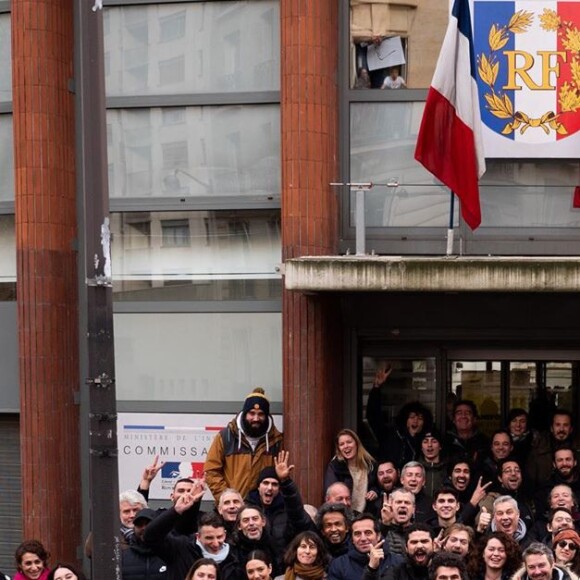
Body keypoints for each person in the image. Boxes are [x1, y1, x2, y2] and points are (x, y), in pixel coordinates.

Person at [205, 388, 283, 501]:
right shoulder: (226, 436)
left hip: (263, 510)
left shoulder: (276, 441)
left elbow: (281, 477)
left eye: (261, 414)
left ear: (267, 416)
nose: (256, 418)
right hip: (231, 510)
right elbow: (211, 471)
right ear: (245, 413)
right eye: (252, 413)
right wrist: (228, 499)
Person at [144, 489, 239, 580]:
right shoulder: (181, 548)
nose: (215, 543)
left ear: (225, 534)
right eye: (209, 538)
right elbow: (150, 536)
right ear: (198, 536)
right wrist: (175, 511)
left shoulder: (234, 556)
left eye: (219, 537)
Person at [246, 452, 313, 560]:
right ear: (258, 487)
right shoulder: (247, 509)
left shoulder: (287, 510)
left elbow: (299, 517)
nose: (270, 488)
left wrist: (285, 482)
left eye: (275, 484)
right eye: (265, 483)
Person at [327, 513, 403, 580]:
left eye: (368, 533)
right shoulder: (339, 565)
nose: (363, 538)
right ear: (352, 539)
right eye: (357, 534)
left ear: (378, 536)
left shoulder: (398, 562)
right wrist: (371, 569)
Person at [324, 429, 378, 513]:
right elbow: (332, 492)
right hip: (344, 514)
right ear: (339, 448)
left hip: (365, 515)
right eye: (341, 444)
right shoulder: (335, 466)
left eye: (349, 442)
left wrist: (374, 491)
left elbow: (377, 484)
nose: (346, 446)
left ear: (357, 443)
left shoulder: (370, 464)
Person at [527, 409, 578, 491]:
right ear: (551, 428)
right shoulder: (538, 451)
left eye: (565, 425)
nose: (561, 429)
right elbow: (530, 482)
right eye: (558, 425)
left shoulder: (578, 451)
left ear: (571, 429)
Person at [122, 508, 168, 580]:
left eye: (148, 523)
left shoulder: (170, 554)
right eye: (139, 524)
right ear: (134, 528)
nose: (144, 528)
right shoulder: (123, 557)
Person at [379, 489, 415, 556]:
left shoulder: (419, 532)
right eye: (398, 502)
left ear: (413, 509)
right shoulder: (378, 528)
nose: (403, 505)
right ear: (390, 506)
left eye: (407, 503)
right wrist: (385, 524)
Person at [420, 430, 447, 498]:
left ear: (440, 446)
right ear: (421, 448)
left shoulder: (448, 468)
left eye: (434, 441)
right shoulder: (416, 469)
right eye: (425, 442)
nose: (429, 445)